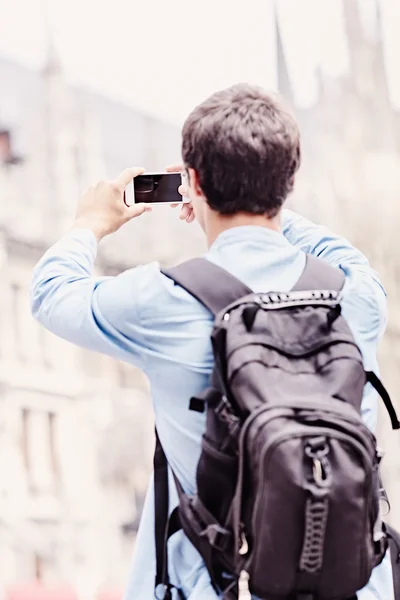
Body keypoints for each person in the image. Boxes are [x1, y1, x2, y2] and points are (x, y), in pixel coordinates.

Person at [31, 84, 392, 600]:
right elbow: (332, 246)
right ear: (288, 181)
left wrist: (91, 223)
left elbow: (50, 293)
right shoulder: (358, 295)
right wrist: (256, 197)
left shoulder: (162, 301)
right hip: (353, 585)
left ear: (192, 183)